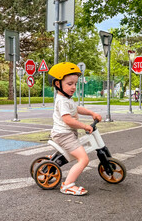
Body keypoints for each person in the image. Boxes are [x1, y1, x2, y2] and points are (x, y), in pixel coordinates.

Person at [48, 62, 102, 196]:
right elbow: (68, 120)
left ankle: (52, 160)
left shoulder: (67, 99)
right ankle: (67, 185)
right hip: (64, 135)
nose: (73, 87)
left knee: (73, 155)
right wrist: (85, 126)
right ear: (57, 84)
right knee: (84, 159)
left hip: (65, 134)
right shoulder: (62, 101)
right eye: (69, 84)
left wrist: (91, 113)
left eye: (75, 84)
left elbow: (77, 109)